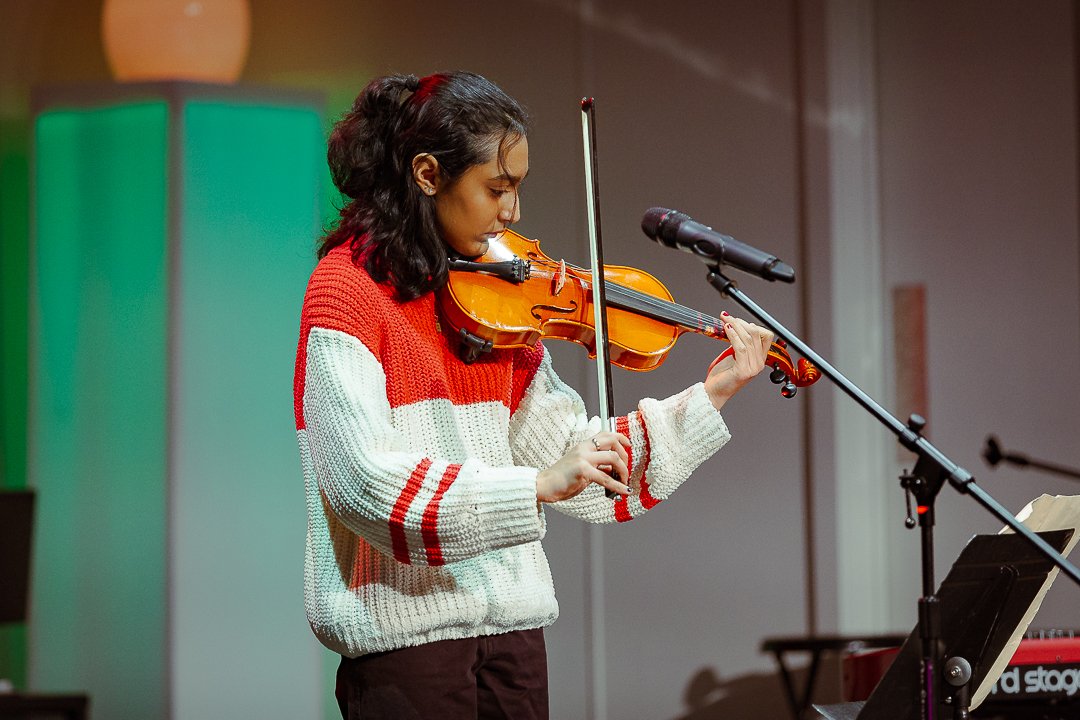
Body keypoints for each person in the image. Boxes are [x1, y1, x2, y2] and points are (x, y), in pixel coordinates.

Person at [293, 71, 774, 720]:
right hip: (407, 648)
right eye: (497, 188)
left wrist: (711, 395)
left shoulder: (496, 302)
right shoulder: (345, 291)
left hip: (514, 641)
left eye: (517, 188)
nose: (512, 212)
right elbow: (364, 486)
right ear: (428, 174)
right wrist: (534, 487)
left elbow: (584, 466)